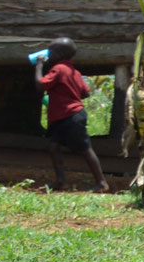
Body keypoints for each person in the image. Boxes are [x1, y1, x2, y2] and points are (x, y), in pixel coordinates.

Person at [35, 38, 110, 193]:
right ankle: (61, 181)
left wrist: (39, 65)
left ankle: (102, 183)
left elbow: (40, 85)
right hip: (66, 115)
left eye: (51, 51)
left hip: (69, 116)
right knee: (53, 146)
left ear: (59, 54)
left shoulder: (59, 69)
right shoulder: (75, 72)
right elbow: (86, 93)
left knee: (85, 149)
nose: (48, 54)